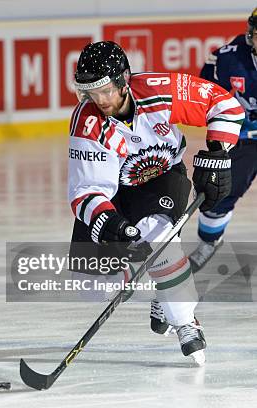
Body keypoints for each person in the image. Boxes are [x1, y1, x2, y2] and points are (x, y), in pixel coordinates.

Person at [67, 41, 243, 364]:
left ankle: (186, 321)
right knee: (88, 277)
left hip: (163, 177)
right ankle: (156, 277)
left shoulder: (158, 91)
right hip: (118, 193)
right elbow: (86, 190)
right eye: (91, 92)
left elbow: (226, 106)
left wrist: (218, 154)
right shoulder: (87, 122)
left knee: (159, 238)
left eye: (105, 90)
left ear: (123, 80)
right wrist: (112, 224)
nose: (100, 100)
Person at [189, 7, 257, 272]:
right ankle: (209, 242)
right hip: (244, 139)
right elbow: (202, 97)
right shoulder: (226, 59)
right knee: (220, 192)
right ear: (251, 34)